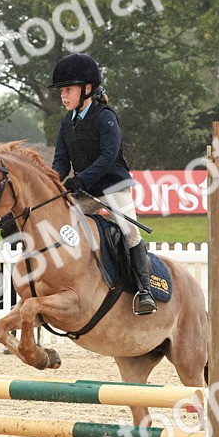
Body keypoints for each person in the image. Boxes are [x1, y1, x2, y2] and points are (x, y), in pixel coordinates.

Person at [49, 52, 156, 315]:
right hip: (86, 191)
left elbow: (108, 157)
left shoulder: (105, 116)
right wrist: (52, 183)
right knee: (62, 226)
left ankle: (144, 291)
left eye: (68, 90)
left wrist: (80, 179)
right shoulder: (66, 123)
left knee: (130, 233)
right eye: (62, 91)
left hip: (113, 186)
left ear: (87, 89)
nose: (63, 96)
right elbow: (60, 161)